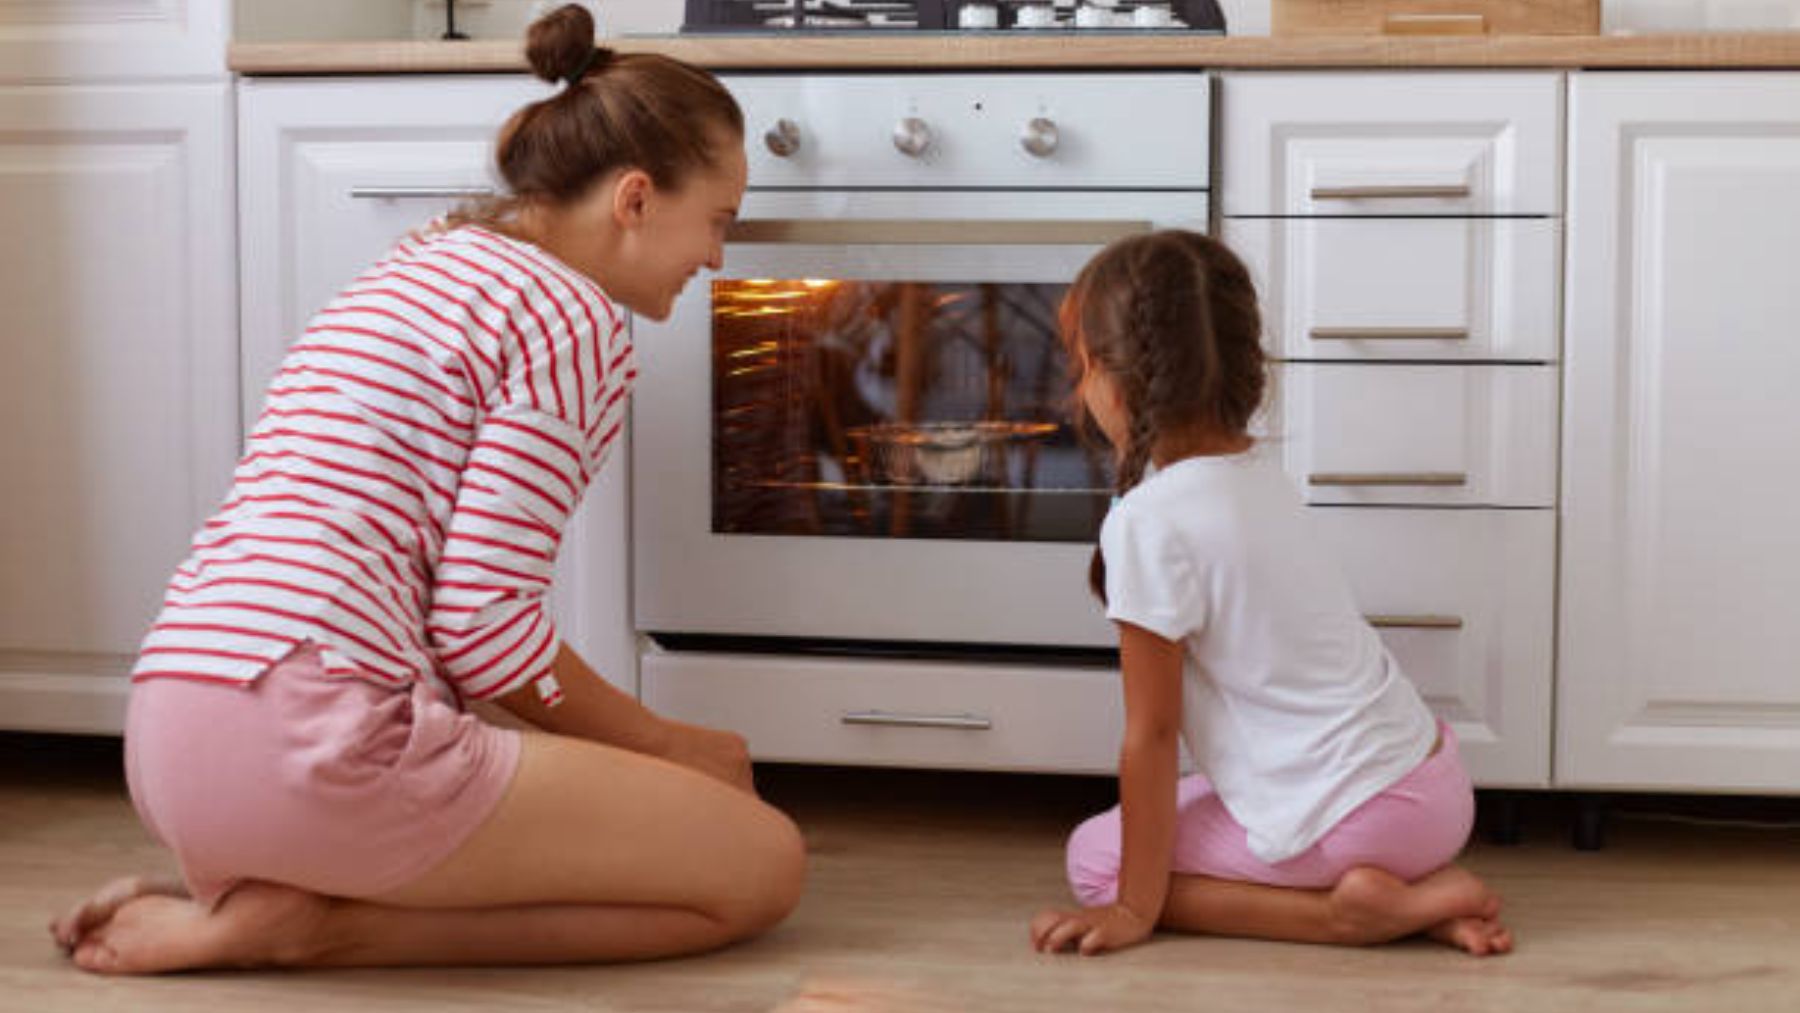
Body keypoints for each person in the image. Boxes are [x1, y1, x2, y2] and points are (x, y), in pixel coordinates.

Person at [49, 4, 804, 975]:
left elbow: (446, 637)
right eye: (720, 221)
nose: (718, 258)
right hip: (314, 741)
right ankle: (318, 925)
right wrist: (672, 745)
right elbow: (484, 629)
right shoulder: (575, 319)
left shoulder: (422, 264)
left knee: (552, 781)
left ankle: (257, 885)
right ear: (634, 199)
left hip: (170, 731)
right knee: (762, 868)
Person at [1027, 231, 1513, 958]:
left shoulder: (1149, 520)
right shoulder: (1259, 476)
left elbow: (1153, 735)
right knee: (1190, 808)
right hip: (1432, 791)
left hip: (1359, 817)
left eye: (1081, 365)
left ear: (1114, 381)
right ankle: (1411, 900)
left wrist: (1134, 905)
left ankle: (1351, 914)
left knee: (1095, 855)